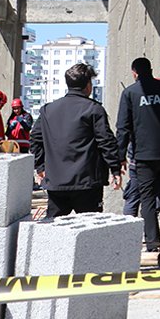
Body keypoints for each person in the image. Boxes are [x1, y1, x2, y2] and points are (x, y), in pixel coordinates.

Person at [31, 63, 122, 217]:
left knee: (52, 231)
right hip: (87, 183)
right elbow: (106, 141)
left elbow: (35, 138)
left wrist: (40, 167)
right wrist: (115, 169)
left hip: (56, 182)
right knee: (89, 230)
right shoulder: (93, 109)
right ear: (88, 85)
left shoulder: (48, 110)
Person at [117, 57, 160, 252]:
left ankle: (153, 245)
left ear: (134, 73)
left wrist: (119, 158)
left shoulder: (130, 92)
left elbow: (122, 128)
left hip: (143, 154)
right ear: (151, 69)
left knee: (146, 200)